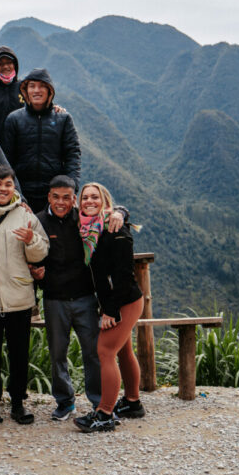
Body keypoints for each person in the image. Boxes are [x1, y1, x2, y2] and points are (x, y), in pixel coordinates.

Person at [30, 176, 124, 421]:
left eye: (67, 197)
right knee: (57, 353)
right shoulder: (38, 221)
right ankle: (65, 402)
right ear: (49, 197)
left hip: (85, 297)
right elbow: (31, 252)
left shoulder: (83, 219)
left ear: (74, 199)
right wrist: (37, 273)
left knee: (93, 352)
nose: (61, 202)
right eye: (56, 197)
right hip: (54, 299)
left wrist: (121, 212)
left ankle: (98, 402)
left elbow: (110, 212)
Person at [0, 166, 49, 428]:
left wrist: (31, 241)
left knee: (19, 354)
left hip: (19, 296)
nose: (3, 188)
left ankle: (18, 402)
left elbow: (41, 253)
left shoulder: (26, 216)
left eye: (8, 184)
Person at [74, 182, 145, 433]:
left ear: (105, 202)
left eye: (95, 197)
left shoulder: (116, 229)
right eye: (85, 198)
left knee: (104, 350)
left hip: (125, 300)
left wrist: (111, 311)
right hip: (115, 300)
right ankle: (133, 403)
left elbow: (124, 278)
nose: (89, 201)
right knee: (123, 350)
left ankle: (104, 413)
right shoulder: (85, 228)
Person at [2, 68, 81, 213]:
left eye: (41, 86)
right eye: (32, 86)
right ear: (25, 91)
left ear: (49, 90)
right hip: (21, 194)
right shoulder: (14, 119)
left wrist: (71, 187)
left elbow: (72, 155)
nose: (36, 90)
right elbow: (6, 159)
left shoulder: (63, 119)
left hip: (54, 195)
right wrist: (13, 192)